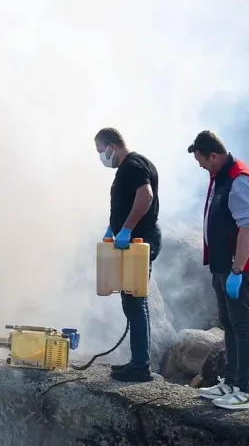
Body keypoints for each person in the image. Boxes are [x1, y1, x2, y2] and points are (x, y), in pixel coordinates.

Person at [188, 130, 249, 410]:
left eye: (201, 160)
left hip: (240, 268)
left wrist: (238, 270)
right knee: (228, 322)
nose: (200, 165)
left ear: (214, 156)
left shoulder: (239, 179)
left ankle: (244, 390)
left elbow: (248, 229)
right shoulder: (220, 176)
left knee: (243, 324)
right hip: (222, 264)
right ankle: (230, 381)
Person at [94, 127, 162, 383]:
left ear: (112, 145)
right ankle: (137, 361)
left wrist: (126, 229)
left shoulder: (133, 165)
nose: (101, 157)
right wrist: (114, 227)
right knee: (131, 299)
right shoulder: (133, 165)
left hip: (138, 240)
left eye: (101, 151)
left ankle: (141, 365)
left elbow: (145, 196)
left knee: (135, 300)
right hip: (132, 239)